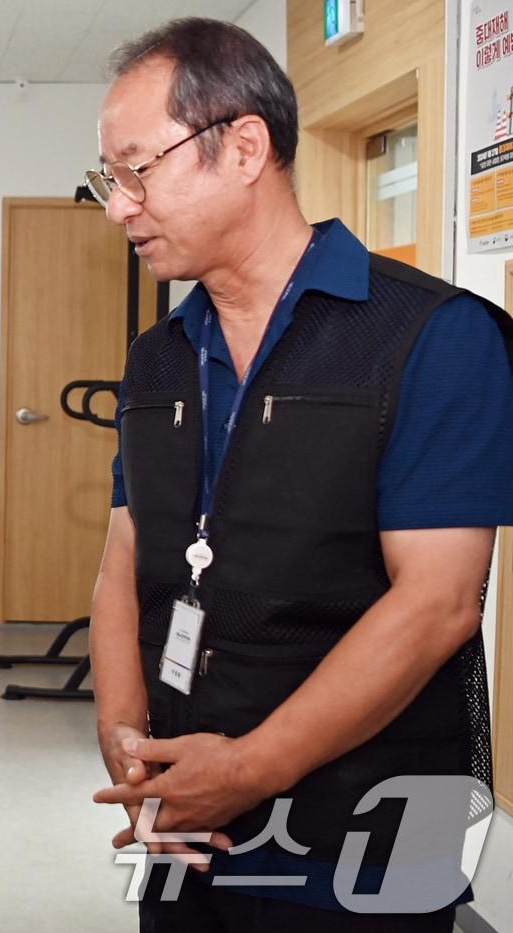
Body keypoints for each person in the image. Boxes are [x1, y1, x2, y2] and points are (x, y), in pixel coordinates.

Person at [84, 18, 513, 932]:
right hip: (185, 823)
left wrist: (250, 768)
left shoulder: (432, 339)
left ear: (243, 147)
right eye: (106, 180)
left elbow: (438, 602)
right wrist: (128, 744)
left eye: (136, 171)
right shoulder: (159, 358)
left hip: (372, 832)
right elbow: (127, 554)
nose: (119, 206)